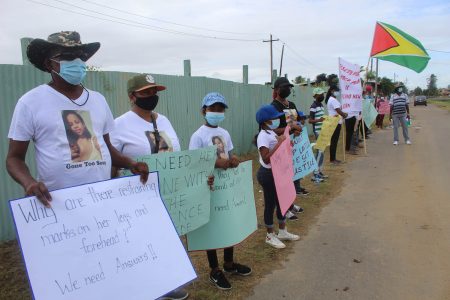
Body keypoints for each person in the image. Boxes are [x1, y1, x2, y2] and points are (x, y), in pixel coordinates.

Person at [6, 31, 148, 208]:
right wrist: (29, 183)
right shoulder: (30, 102)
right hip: (56, 205)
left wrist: (131, 163)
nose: (77, 61)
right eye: (67, 56)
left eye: (80, 56)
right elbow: (14, 159)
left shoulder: (99, 100)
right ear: (49, 63)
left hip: (101, 201)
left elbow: (106, 149)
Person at [109, 74, 188, 300]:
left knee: (165, 240)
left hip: (168, 192)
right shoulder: (119, 124)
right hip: (135, 197)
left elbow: (175, 155)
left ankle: (167, 285)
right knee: (140, 245)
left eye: (154, 92)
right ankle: (146, 290)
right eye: (145, 92)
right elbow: (111, 162)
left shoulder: (163, 120)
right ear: (132, 96)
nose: (151, 96)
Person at [189, 92, 251, 291]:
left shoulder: (225, 133)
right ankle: (215, 269)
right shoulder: (198, 136)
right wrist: (218, 163)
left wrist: (234, 160)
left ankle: (229, 263)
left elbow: (231, 155)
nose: (217, 112)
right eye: (212, 108)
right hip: (209, 185)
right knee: (212, 227)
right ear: (203, 111)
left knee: (228, 221)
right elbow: (195, 162)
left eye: (220, 109)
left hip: (226, 186)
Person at [256, 104, 300, 249]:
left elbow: (281, 140)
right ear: (264, 122)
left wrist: (288, 142)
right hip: (268, 174)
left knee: (283, 202)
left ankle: (282, 231)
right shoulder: (263, 136)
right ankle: (270, 235)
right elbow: (267, 158)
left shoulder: (271, 133)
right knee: (270, 204)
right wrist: (279, 144)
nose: (276, 119)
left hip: (279, 172)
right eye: (273, 118)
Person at [270, 77, 306, 218]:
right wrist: (291, 129)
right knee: (282, 179)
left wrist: (297, 128)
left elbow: (296, 122)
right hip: (280, 146)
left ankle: (290, 203)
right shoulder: (274, 107)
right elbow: (273, 130)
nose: (288, 90)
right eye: (285, 87)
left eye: (290, 87)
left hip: (293, 144)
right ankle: (284, 209)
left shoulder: (291, 104)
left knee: (291, 176)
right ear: (277, 90)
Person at [309, 87, 328, 182]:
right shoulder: (313, 106)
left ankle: (319, 171)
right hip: (317, 131)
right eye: (321, 94)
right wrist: (319, 120)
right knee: (320, 151)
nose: (322, 96)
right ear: (316, 95)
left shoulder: (320, 105)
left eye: (323, 94)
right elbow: (310, 120)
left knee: (322, 152)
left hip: (323, 131)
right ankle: (315, 174)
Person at [325, 85, 348, 164]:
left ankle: (333, 158)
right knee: (334, 141)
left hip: (334, 121)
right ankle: (332, 159)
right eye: (336, 90)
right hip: (335, 122)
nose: (337, 92)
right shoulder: (333, 100)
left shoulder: (331, 99)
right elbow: (338, 110)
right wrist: (344, 115)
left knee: (334, 141)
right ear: (332, 91)